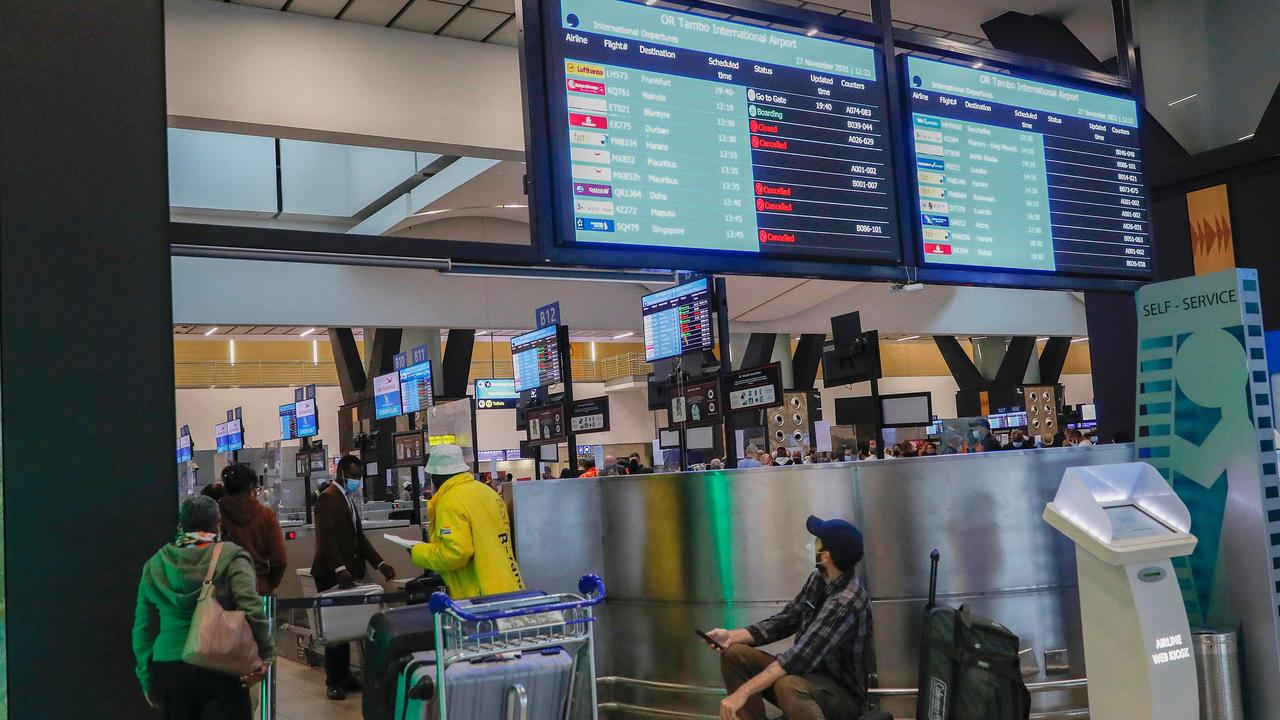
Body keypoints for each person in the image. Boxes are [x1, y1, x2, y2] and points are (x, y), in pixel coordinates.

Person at [705, 516, 872, 720]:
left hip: (842, 697)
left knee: (788, 685)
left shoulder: (847, 601)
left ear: (826, 556)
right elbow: (786, 620)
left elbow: (799, 656)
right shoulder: (818, 580)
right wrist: (731, 636)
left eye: (815, 542)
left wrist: (742, 693)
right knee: (734, 654)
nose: (809, 546)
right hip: (806, 676)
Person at [133, 496, 273, 719]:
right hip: (221, 663)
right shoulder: (232, 557)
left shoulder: (155, 564)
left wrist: (146, 677)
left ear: (181, 526)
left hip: (169, 667)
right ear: (217, 525)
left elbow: (143, 628)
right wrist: (265, 655)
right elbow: (252, 608)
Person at [312, 455, 396, 701]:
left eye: (359, 477)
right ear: (341, 473)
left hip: (347, 571)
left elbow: (359, 538)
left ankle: (345, 675)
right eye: (354, 476)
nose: (357, 481)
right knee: (335, 629)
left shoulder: (346, 498)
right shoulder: (328, 498)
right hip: (330, 573)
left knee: (346, 626)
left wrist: (380, 564)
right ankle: (333, 681)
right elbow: (326, 539)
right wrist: (339, 568)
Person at [407, 445, 524, 599]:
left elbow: (455, 554)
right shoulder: (487, 492)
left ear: (437, 476)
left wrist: (418, 552)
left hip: (480, 595)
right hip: (510, 585)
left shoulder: (450, 501)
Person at [218, 464, 287, 595]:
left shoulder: (216, 515)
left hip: (224, 592)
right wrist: (267, 583)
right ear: (251, 487)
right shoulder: (266, 516)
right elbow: (279, 561)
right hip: (257, 589)